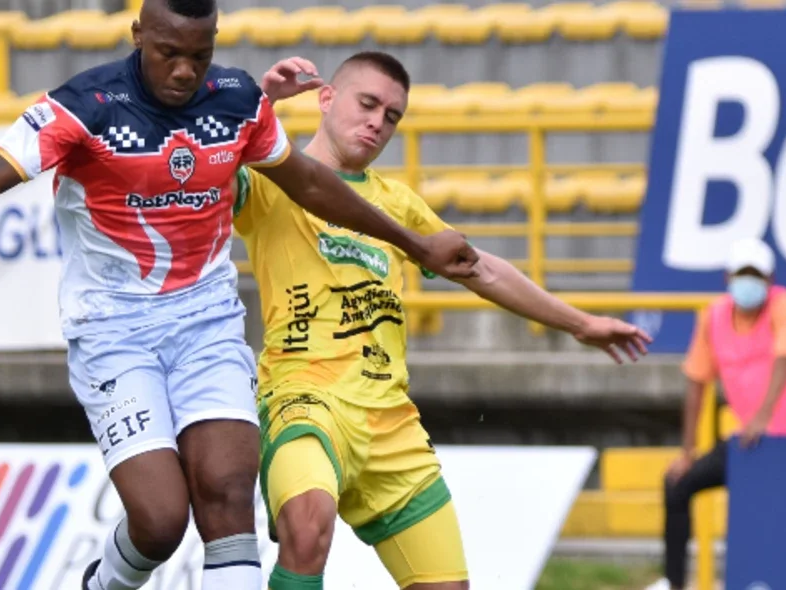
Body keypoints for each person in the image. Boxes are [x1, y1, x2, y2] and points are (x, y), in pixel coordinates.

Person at [0, 1, 481, 588]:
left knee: (229, 497)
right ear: (138, 34)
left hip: (207, 324)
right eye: (169, 53)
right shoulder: (83, 107)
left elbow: (309, 183)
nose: (183, 71)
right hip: (114, 331)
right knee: (161, 520)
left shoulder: (235, 102)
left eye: (198, 56)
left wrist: (412, 242)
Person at [232, 52, 654, 590]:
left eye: (392, 116)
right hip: (305, 400)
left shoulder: (397, 205)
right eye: (368, 104)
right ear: (327, 98)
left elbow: (482, 269)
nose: (377, 123)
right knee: (307, 528)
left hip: (390, 420)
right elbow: (213, 158)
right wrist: (263, 102)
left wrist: (580, 324)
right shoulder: (271, 179)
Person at [644, 237, 786, 590]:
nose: (748, 281)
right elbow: (696, 381)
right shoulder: (712, 317)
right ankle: (674, 583)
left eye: (756, 275)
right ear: (727, 277)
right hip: (750, 445)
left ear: (770, 280)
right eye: (742, 273)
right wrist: (687, 451)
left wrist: (763, 415)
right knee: (677, 483)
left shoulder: (784, 306)